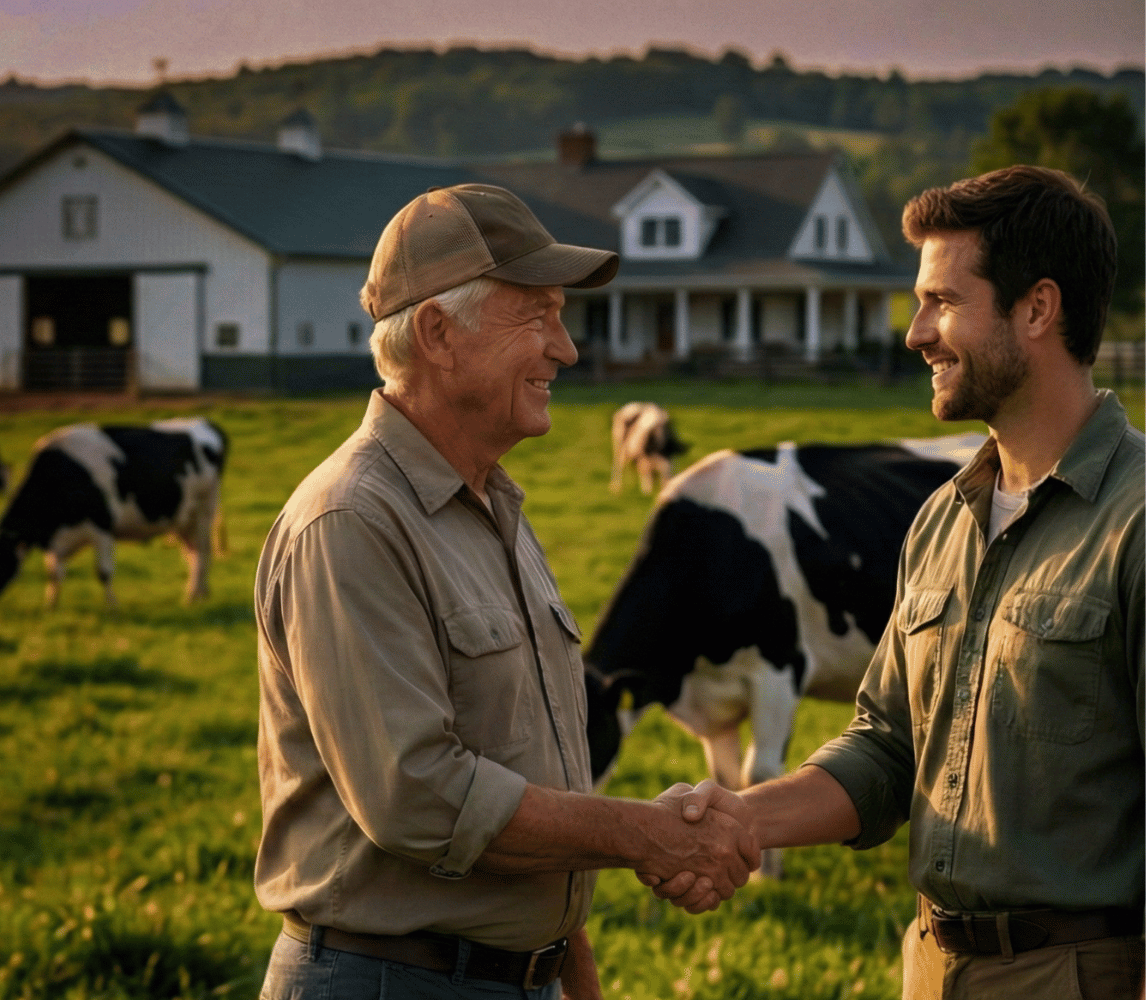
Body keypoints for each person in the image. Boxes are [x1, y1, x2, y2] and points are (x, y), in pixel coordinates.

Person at [253, 183, 760, 1000]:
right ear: (438, 334)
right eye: (537, 316)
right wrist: (641, 833)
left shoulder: (494, 507)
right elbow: (418, 796)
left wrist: (573, 973)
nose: (565, 349)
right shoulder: (351, 522)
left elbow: (532, 778)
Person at [651, 165, 1143, 998]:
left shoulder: (1135, 523)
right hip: (928, 968)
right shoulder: (941, 520)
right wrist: (740, 818)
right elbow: (887, 748)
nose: (915, 334)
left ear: (1037, 309)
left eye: (942, 302)